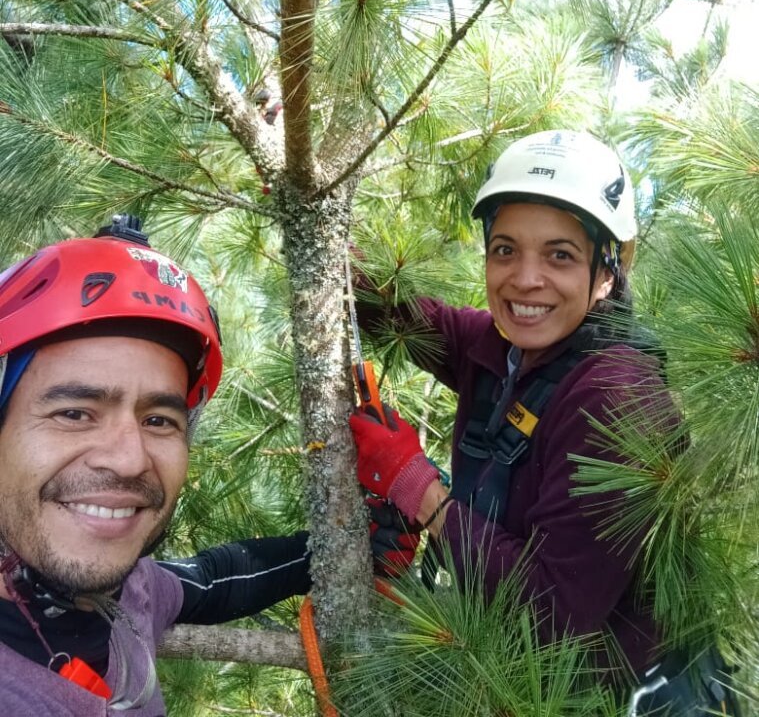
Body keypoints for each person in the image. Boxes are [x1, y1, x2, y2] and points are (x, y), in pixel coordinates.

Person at [349, 130, 739, 715]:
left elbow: (556, 615)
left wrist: (419, 490)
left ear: (607, 271)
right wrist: (308, 201)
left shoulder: (619, 398)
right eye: (505, 249)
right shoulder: (507, 349)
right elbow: (397, 313)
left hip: (617, 696)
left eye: (560, 255)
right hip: (530, 684)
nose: (525, 279)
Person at [0, 214, 349, 716]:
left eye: (159, 420)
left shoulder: (126, 594)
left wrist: (346, 542)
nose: (129, 459)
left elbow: (210, 581)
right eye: (74, 413)